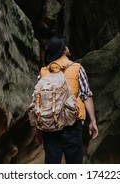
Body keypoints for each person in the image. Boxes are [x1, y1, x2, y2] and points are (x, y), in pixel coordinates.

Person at [37, 36, 98, 164]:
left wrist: (39, 130)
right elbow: (86, 95)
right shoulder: (77, 68)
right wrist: (93, 121)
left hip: (49, 125)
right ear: (64, 51)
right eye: (65, 45)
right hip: (72, 123)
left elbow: (39, 104)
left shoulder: (43, 73)